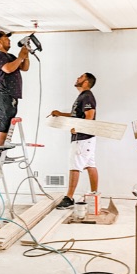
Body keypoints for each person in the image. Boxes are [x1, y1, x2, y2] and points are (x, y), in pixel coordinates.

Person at [50, 72, 98, 209]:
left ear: (87, 82)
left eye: (81, 77)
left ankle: (69, 198)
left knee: (75, 166)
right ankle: (94, 194)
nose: (77, 78)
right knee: (90, 164)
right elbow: (77, 115)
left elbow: (90, 116)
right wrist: (60, 114)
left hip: (82, 138)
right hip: (87, 138)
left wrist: (77, 128)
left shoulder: (87, 96)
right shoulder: (82, 96)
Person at [0, 31, 30, 146]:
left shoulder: (10, 56)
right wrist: (20, 57)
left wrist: (25, 56)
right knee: (3, 125)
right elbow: (8, 69)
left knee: (7, 124)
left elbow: (24, 67)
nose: (9, 41)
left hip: (10, 95)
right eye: (6, 39)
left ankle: (0, 151)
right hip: (3, 94)